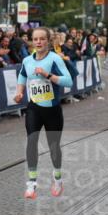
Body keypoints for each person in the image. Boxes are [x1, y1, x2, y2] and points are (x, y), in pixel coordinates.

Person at [13, 27, 74, 200]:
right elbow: (22, 77)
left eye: (42, 39)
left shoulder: (54, 59)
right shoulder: (27, 61)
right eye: (35, 39)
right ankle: (31, 184)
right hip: (34, 108)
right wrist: (19, 93)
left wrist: (48, 75)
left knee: (53, 145)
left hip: (52, 109)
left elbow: (68, 80)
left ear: (48, 41)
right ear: (31, 41)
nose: (38, 42)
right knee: (31, 141)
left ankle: (57, 179)